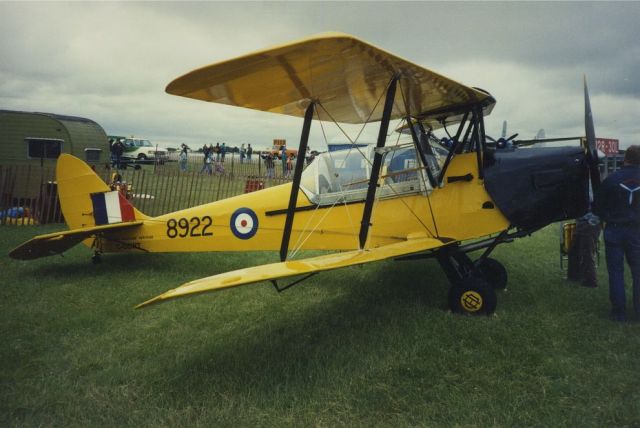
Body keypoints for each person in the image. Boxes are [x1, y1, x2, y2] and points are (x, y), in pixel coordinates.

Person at [593, 145, 640, 322]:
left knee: (615, 271)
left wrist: (608, 217)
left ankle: (619, 312)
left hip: (614, 229)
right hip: (637, 230)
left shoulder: (612, 179)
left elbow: (597, 206)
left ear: (625, 158)